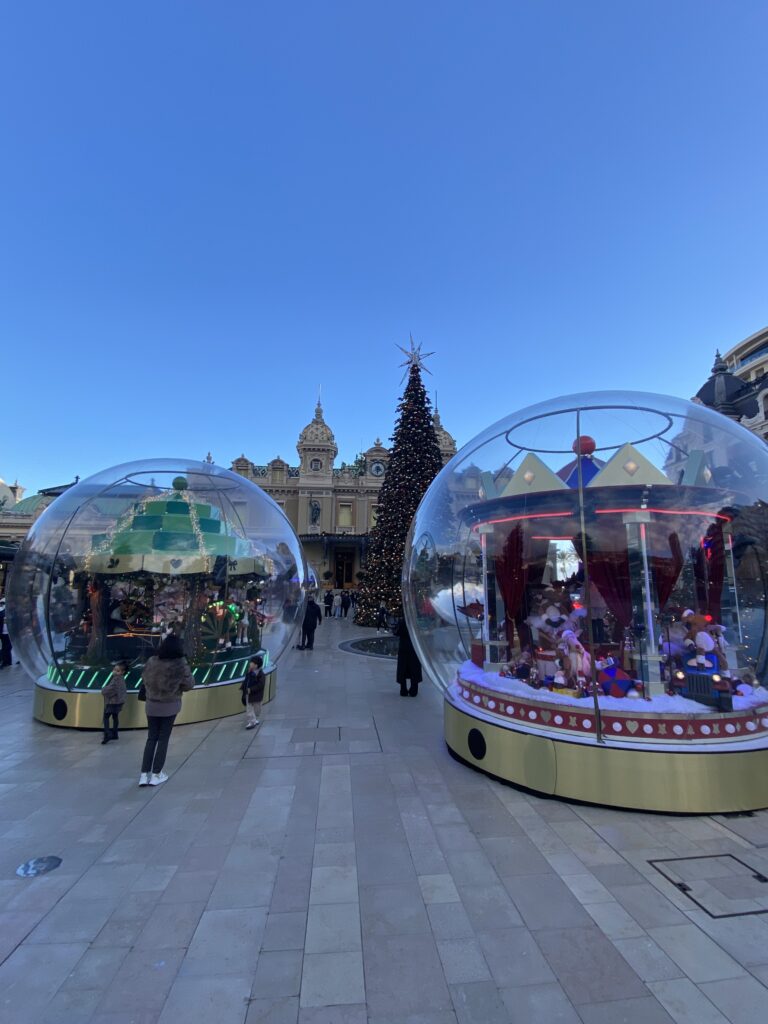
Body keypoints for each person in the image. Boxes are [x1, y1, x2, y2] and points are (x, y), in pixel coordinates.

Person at [138, 634, 193, 787]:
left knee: (151, 738)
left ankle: (144, 775)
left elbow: (144, 679)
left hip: (151, 705)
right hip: (169, 705)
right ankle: (157, 774)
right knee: (163, 739)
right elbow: (189, 684)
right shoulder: (180, 664)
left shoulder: (152, 661)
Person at [395, 616, 422, 697]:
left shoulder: (402, 621)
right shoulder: (416, 621)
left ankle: (403, 690)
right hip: (414, 647)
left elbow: (397, 632)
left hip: (404, 647)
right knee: (415, 668)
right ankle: (414, 690)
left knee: (402, 668)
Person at [101, 660, 127, 744]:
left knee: (106, 717)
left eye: (117, 670)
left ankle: (107, 733)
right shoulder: (122, 679)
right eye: (114, 669)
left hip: (112, 702)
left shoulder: (116, 680)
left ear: (122, 672)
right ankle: (115, 733)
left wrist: (103, 690)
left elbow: (110, 690)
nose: (115, 672)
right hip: (119, 702)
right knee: (115, 717)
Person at [241, 654, 265, 729]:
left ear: (256, 665)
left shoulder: (260, 674)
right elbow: (246, 681)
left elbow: (261, 685)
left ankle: (254, 719)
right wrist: (244, 688)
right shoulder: (249, 672)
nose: (250, 664)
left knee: (257, 709)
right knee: (249, 709)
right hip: (249, 694)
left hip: (257, 695)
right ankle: (252, 722)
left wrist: (251, 689)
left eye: (251, 663)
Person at [0, 597, 12, 668]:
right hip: (3, 633)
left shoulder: (10, 612)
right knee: (6, 647)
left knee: (7, 647)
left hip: (8, 633)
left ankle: (6, 661)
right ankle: (7, 661)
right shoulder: (2, 612)